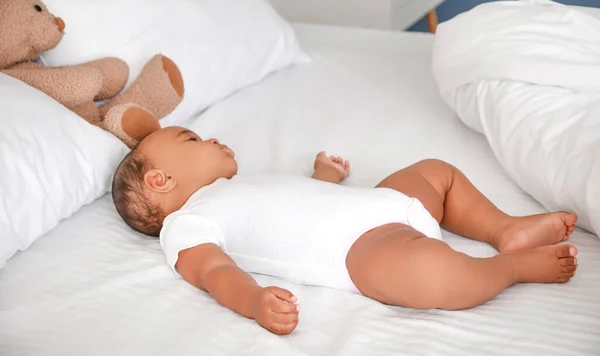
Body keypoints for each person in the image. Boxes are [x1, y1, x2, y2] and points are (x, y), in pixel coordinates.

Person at [112, 126, 578, 335]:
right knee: (436, 275)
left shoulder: (242, 184)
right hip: (363, 248)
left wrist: (325, 177)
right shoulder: (186, 223)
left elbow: (301, 203)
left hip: (375, 204)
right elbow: (213, 271)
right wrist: (253, 301)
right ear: (161, 181)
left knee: (436, 172)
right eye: (191, 140)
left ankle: (504, 229)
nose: (209, 138)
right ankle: (511, 266)